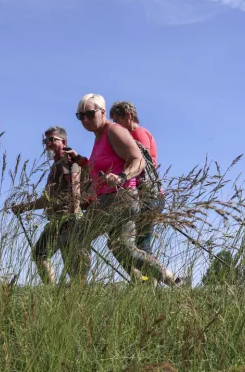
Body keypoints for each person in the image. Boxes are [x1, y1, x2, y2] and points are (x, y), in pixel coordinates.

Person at [64, 93, 184, 286]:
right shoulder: (100, 137)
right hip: (119, 199)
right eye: (80, 116)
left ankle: (78, 284)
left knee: (78, 234)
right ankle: (172, 279)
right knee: (122, 248)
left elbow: (139, 160)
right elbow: (99, 172)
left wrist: (121, 177)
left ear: (102, 112)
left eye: (89, 113)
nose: (85, 119)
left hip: (118, 198)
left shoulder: (114, 131)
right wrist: (79, 159)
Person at [11, 126, 88, 284]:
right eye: (45, 141)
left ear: (63, 141)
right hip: (65, 219)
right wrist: (23, 207)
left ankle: (52, 292)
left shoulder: (68, 161)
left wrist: (73, 216)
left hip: (66, 219)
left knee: (39, 254)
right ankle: (75, 299)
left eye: (52, 139)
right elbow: (48, 199)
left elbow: (75, 187)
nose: (47, 143)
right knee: (73, 266)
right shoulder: (57, 164)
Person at [109, 100, 165, 254]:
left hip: (148, 195)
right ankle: (144, 277)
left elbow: (143, 161)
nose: (116, 126)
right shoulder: (134, 134)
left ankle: (152, 277)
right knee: (133, 244)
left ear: (128, 115)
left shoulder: (137, 133)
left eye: (117, 121)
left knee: (142, 245)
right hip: (146, 195)